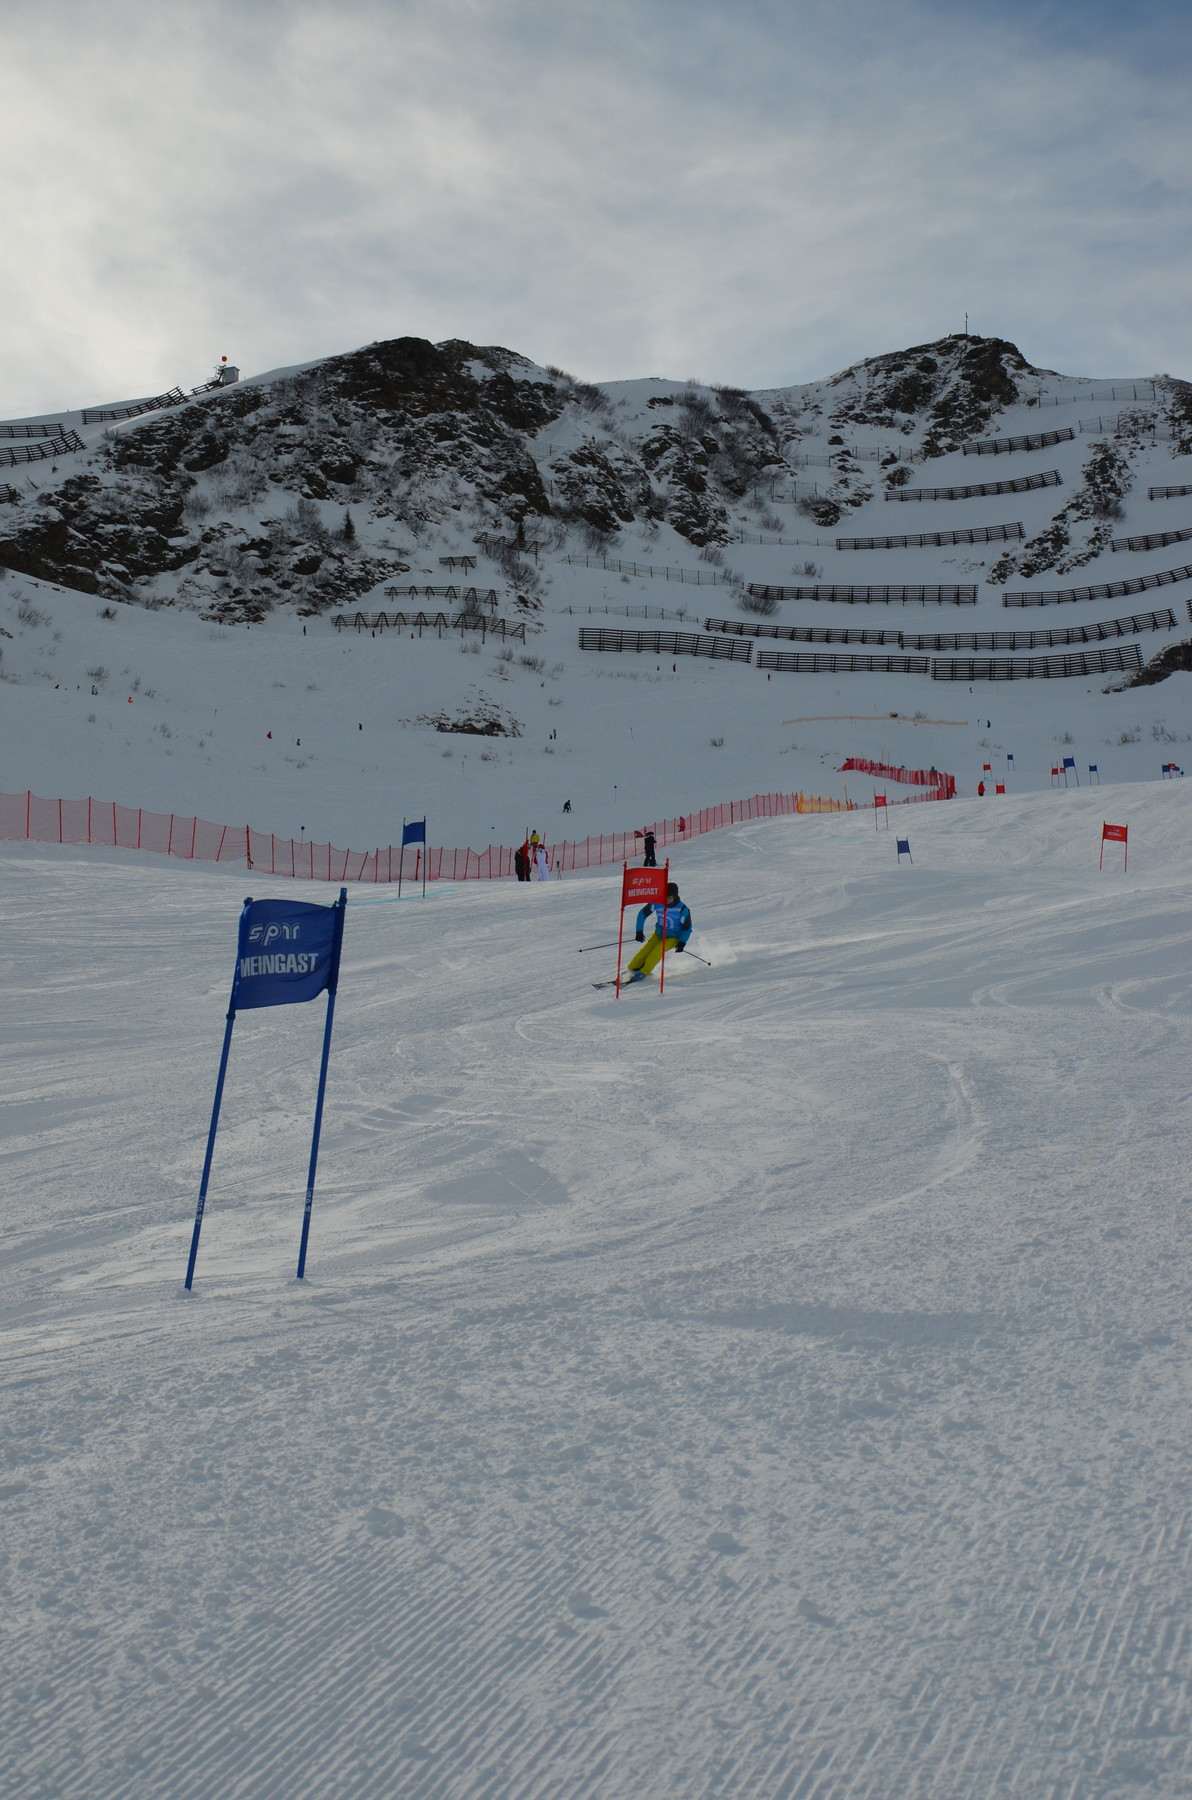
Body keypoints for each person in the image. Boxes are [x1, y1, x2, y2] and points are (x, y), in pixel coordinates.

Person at [625, 882, 691, 982]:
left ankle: (644, 972)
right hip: (659, 934)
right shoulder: (658, 902)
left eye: (669, 897)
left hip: (674, 937)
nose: (666, 899)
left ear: (675, 896)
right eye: (665, 896)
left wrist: (682, 942)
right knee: (647, 949)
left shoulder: (682, 909)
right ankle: (633, 968)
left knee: (658, 949)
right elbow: (642, 914)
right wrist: (639, 931)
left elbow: (687, 928)